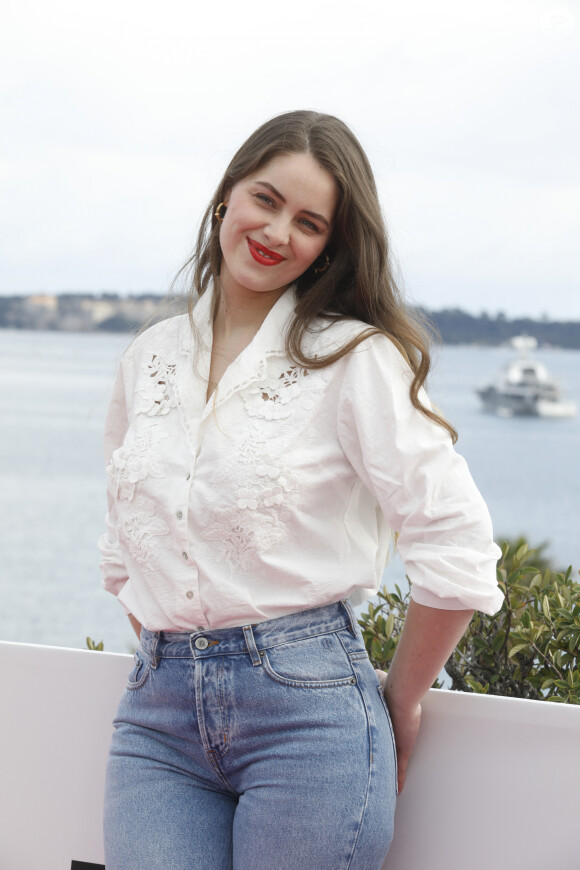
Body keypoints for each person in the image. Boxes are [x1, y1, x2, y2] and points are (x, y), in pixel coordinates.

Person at [98, 110, 503, 870]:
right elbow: (124, 548)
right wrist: (185, 642)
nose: (278, 231)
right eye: (266, 199)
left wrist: (403, 697)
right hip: (156, 724)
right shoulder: (147, 359)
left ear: (329, 247)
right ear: (227, 198)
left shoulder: (354, 359)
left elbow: (454, 544)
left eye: (309, 221)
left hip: (310, 722)